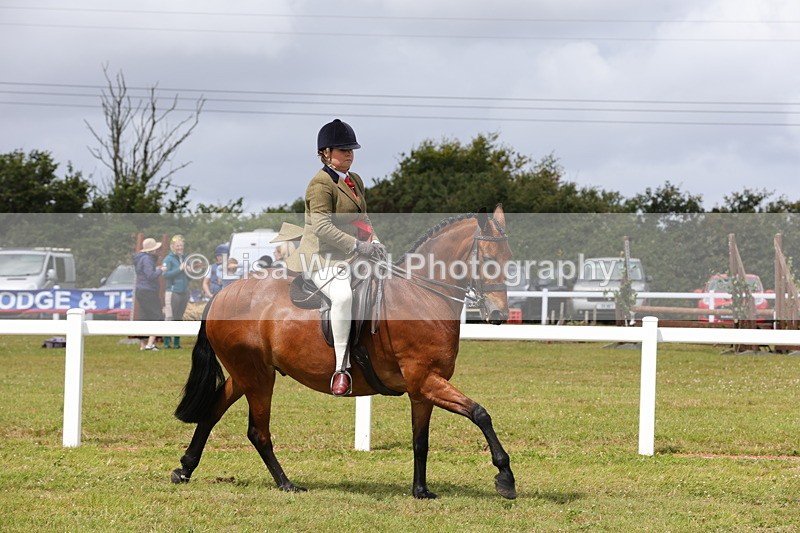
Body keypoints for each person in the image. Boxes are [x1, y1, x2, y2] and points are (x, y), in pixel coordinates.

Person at [285, 118, 385, 396]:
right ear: (326, 153)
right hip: (322, 257)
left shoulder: (354, 181)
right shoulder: (320, 185)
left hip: (352, 254)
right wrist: (358, 246)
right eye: (343, 150)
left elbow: (362, 219)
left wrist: (375, 241)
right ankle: (342, 367)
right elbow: (322, 227)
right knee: (343, 297)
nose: (349, 155)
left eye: (351, 150)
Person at [132, 237, 165, 351]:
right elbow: (150, 275)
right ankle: (150, 344)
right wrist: (161, 270)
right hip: (149, 290)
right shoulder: (147, 259)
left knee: (144, 316)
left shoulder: (140, 258)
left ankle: (143, 344)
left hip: (141, 290)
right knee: (157, 316)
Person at [162, 235, 190, 349]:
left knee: (179, 317)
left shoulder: (186, 258)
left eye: (181, 245)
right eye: (177, 245)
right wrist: (179, 269)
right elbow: (165, 275)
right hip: (172, 292)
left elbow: (188, 276)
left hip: (184, 292)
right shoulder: (168, 259)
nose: (180, 248)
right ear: (173, 246)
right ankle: (167, 343)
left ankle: (177, 343)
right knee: (170, 317)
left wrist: (190, 271)